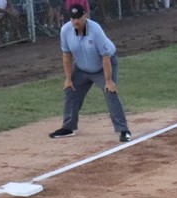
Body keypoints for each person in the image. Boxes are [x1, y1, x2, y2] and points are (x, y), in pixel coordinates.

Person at [48, 4, 132, 143]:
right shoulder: (65, 30)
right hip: (81, 69)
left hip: (103, 66)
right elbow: (66, 55)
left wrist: (109, 80)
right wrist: (68, 79)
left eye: (78, 18)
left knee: (110, 92)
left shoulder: (95, 29)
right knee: (70, 91)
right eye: (73, 18)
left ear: (85, 16)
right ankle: (68, 127)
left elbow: (105, 56)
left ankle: (123, 130)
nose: (76, 21)